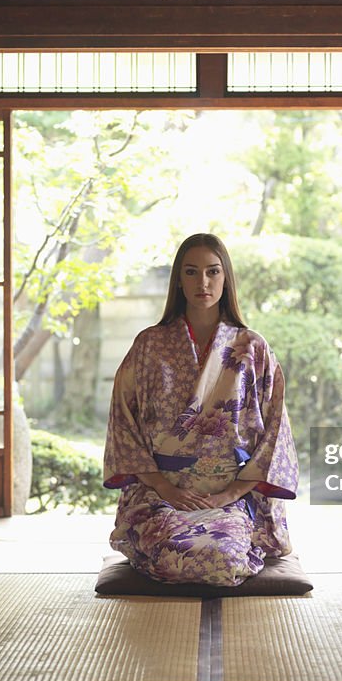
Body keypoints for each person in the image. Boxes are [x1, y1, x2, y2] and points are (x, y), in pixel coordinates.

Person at [102, 233, 298, 586]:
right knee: (176, 554)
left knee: (220, 559)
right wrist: (164, 487)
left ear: (226, 278)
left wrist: (230, 494)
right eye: (191, 272)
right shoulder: (149, 344)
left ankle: (234, 531)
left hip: (229, 492)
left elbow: (275, 430)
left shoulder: (251, 347)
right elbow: (123, 424)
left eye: (213, 272)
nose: (203, 282)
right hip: (161, 492)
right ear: (178, 279)